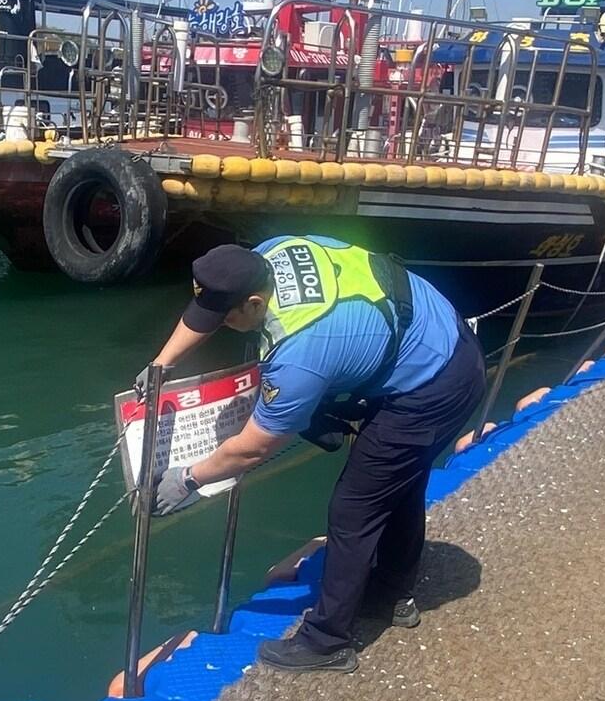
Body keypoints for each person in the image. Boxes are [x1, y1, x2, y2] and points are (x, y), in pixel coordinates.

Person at [135, 235, 485, 674]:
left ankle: (327, 643)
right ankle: (393, 594)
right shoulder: (272, 251)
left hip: (435, 386)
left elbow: (253, 447)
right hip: (434, 338)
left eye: (225, 318)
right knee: (397, 483)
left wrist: (187, 479)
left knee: (354, 507)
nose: (218, 325)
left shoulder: (298, 355)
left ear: (256, 304)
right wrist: (161, 365)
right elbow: (210, 309)